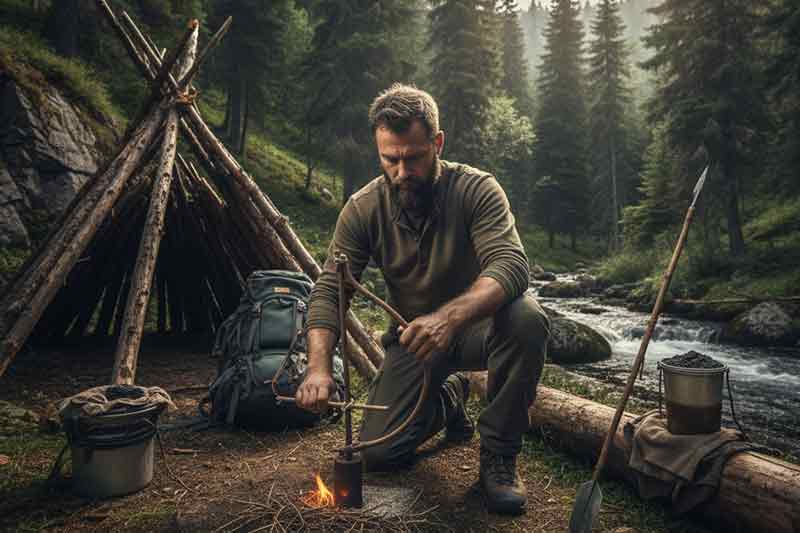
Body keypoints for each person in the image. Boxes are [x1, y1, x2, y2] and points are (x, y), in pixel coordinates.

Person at [295, 83, 550, 515]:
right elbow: (329, 290)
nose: (400, 171)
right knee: (378, 454)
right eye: (389, 159)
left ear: (437, 143)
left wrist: (448, 320)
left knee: (526, 316)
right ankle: (451, 397)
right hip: (414, 342)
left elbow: (511, 265)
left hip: (478, 330)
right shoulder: (362, 209)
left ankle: (500, 455)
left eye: (413, 157)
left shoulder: (477, 190)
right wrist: (317, 368)